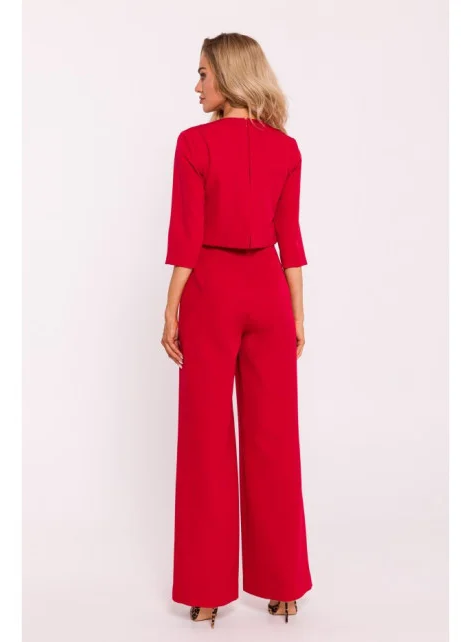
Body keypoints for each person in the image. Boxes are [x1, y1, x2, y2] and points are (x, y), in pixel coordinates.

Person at [160, 32, 313, 628]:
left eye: (203, 73)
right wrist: (297, 313)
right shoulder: (285, 149)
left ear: (227, 76)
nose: (196, 85)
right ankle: (285, 589)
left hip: (212, 292)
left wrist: (171, 306)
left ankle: (206, 593)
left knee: (206, 441)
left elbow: (187, 235)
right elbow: (290, 239)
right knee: (275, 439)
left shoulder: (194, 143)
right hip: (270, 294)